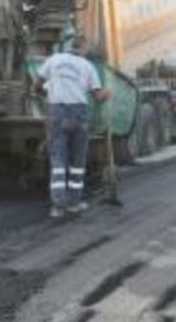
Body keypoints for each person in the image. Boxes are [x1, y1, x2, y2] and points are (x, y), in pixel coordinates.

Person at [33, 36, 110, 218]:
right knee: (77, 162)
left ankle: (58, 207)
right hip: (79, 114)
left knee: (58, 161)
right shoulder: (88, 66)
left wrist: (44, 93)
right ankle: (74, 203)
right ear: (84, 49)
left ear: (70, 46)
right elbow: (99, 97)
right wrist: (107, 93)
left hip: (57, 112)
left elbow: (36, 85)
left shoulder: (54, 59)